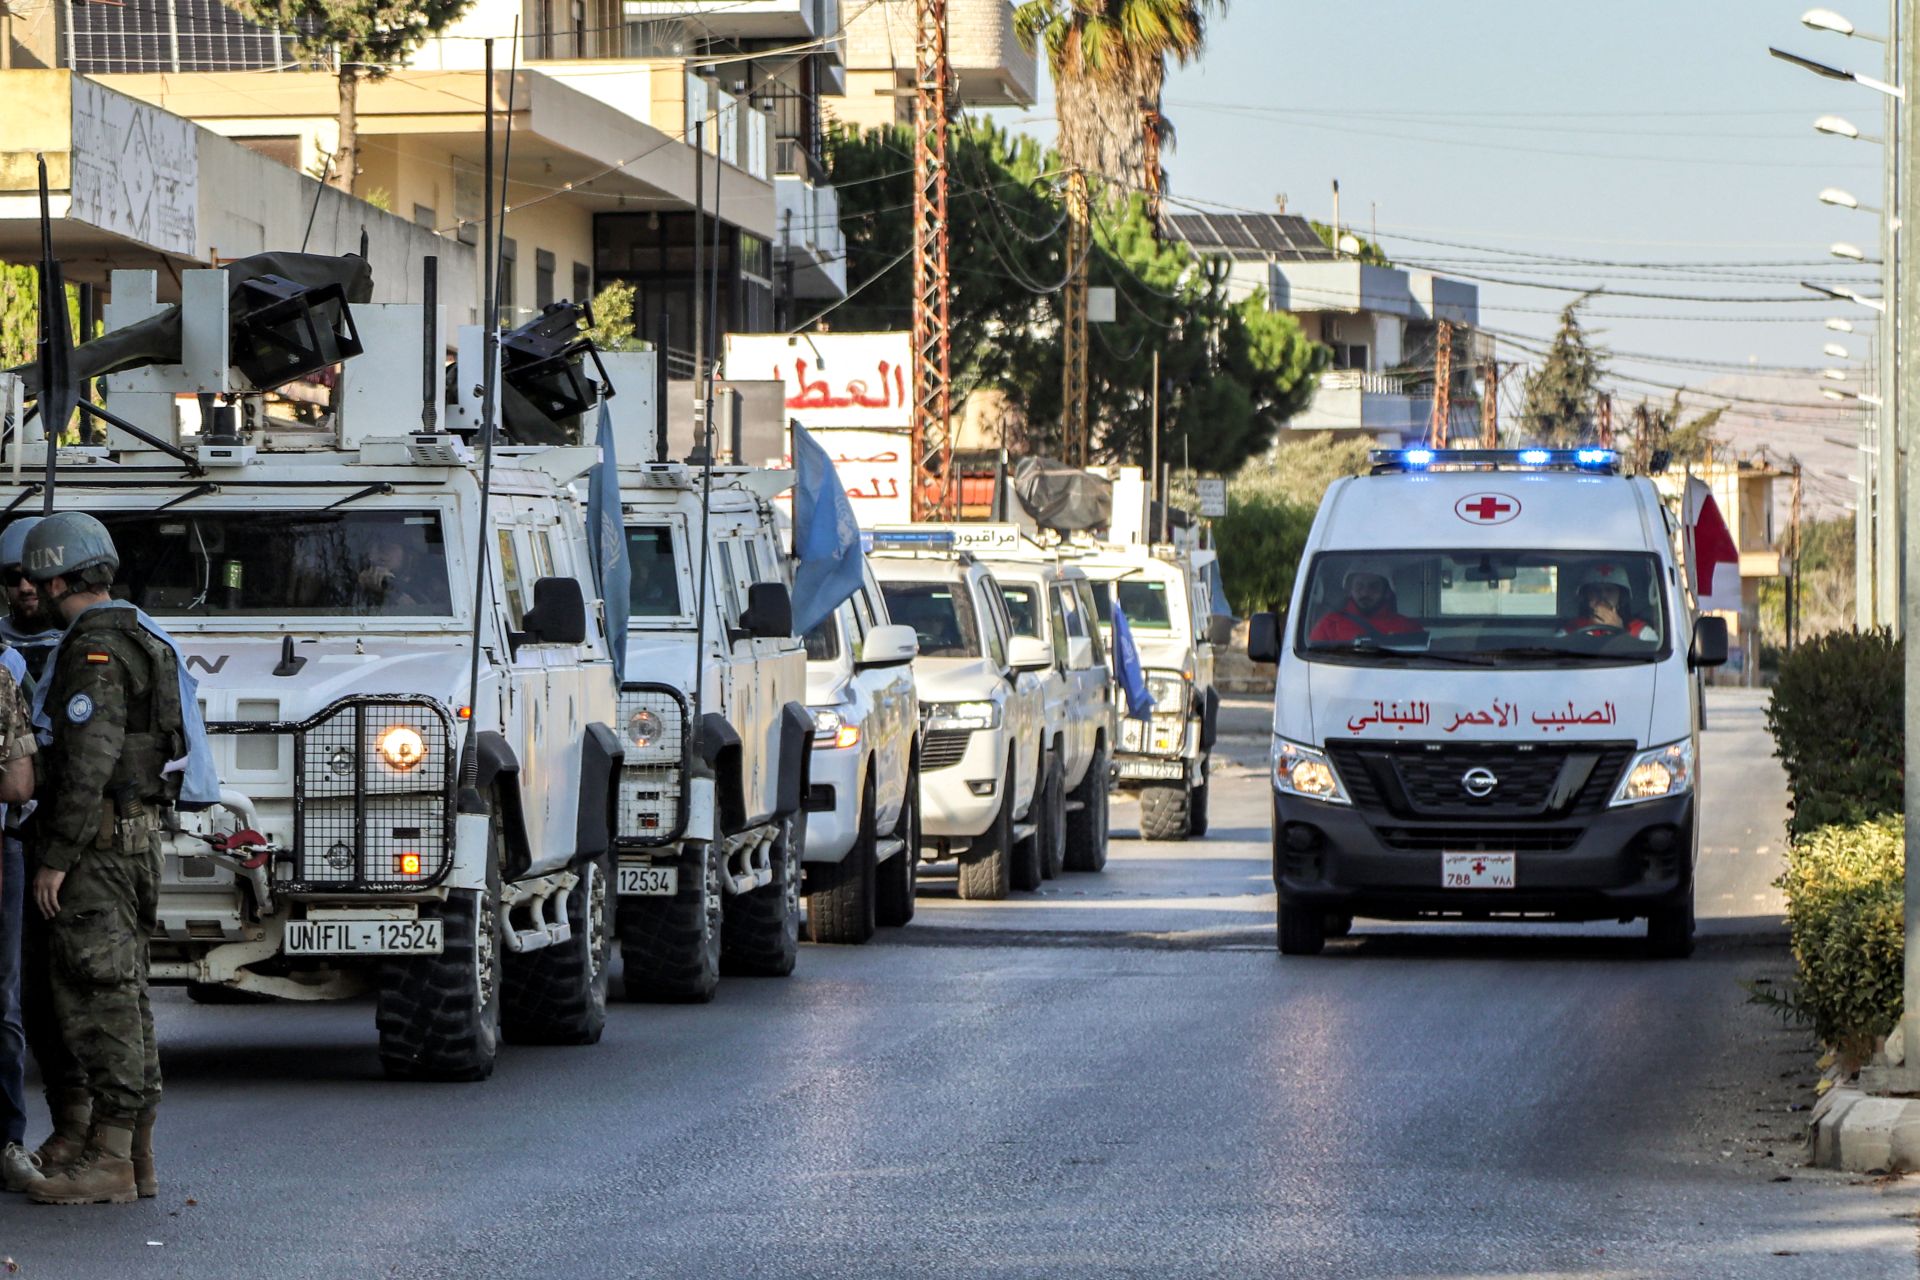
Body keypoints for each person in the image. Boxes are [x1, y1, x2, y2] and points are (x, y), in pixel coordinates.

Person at [20, 513, 181, 1206]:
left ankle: (112, 1159)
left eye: (37, 579)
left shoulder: (96, 649)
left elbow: (90, 761)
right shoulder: (141, 631)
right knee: (128, 996)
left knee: (96, 998)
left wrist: (56, 857)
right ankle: (134, 1155)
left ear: (58, 578)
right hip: (135, 837)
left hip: (100, 846)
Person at [1309, 568, 1422, 644]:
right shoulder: (1329, 625)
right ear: (1350, 590)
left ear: (1387, 591)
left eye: (1374, 586)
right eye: (1359, 586)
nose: (1365, 593)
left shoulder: (1408, 628)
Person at [1559, 564, 1659, 642]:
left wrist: (1620, 633)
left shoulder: (1641, 632)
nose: (1603, 596)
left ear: (1621, 597)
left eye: (1610, 590)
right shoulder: (1571, 630)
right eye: (1595, 590)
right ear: (1586, 597)